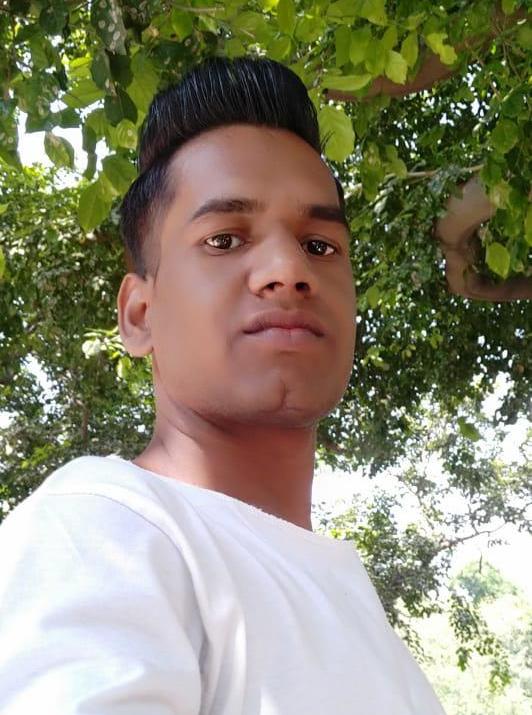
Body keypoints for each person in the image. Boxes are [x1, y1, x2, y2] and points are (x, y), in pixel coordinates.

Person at [0, 55, 446, 714]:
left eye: (320, 245)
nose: (288, 268)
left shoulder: (347, 593)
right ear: (139, 314)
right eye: (225, 239)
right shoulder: (100, 529)